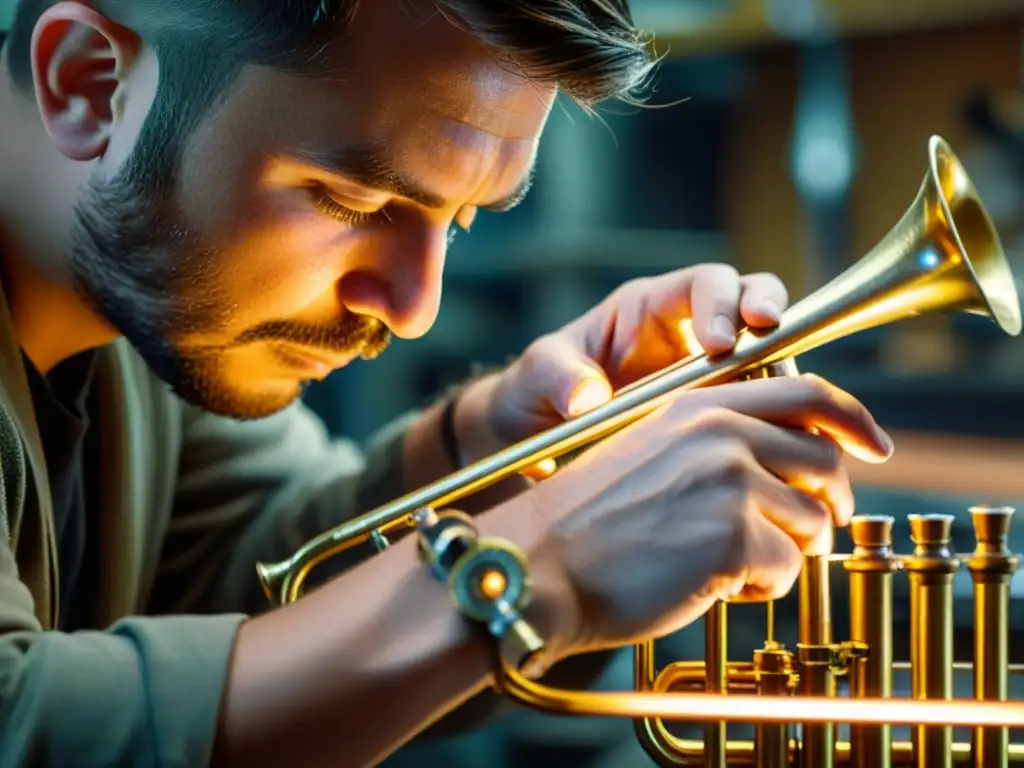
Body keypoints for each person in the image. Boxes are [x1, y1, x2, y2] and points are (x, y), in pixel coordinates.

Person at [0, 1, 894, 766]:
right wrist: (547, 561)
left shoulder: (152, 316)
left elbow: (254, 575)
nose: (413, 307)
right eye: (351, 202)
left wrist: (507, 453)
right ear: (86, 83)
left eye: (458, 218)